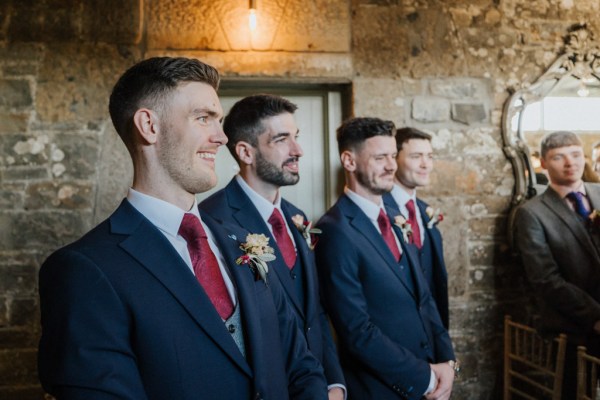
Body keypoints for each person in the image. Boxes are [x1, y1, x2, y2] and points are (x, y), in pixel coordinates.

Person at [37, 57, 328, 400]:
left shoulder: (240, 241)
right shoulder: (84, 270)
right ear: (150, 126)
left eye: (219, 121)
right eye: (203, 118)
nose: (221, 138)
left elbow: (301, 364)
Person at [200, 94, 346, 400]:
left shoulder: (298, 218)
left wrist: (333, 383)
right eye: (282, 140)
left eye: (296, 137)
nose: (298, 151)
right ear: (246, 152)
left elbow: (314, 310)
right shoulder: (213, 221)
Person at [314, 117, 456, 400]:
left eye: (393, 156)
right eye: (380, 157)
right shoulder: (334, 230)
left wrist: (448, 362)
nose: (391, 165)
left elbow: (424, 299)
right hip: (380, 387)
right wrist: (425, 377)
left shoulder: (396, 218)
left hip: (430, 377)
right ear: (349, 161)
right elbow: (356, 330)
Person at [514, 130, 600, 398]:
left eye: (575, 155)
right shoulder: (532, 213)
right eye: (558, 157)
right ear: (543, 162)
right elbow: (545, 279)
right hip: (575, 329)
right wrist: (596, 317)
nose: (570, 163)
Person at [382, 127, 450, 329]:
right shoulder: (380, 211)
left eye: (429, 156)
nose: (425, 164)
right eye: (416, 156)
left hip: (432, 325)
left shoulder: (424, 210)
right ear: (394, 159)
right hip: (396, 328)